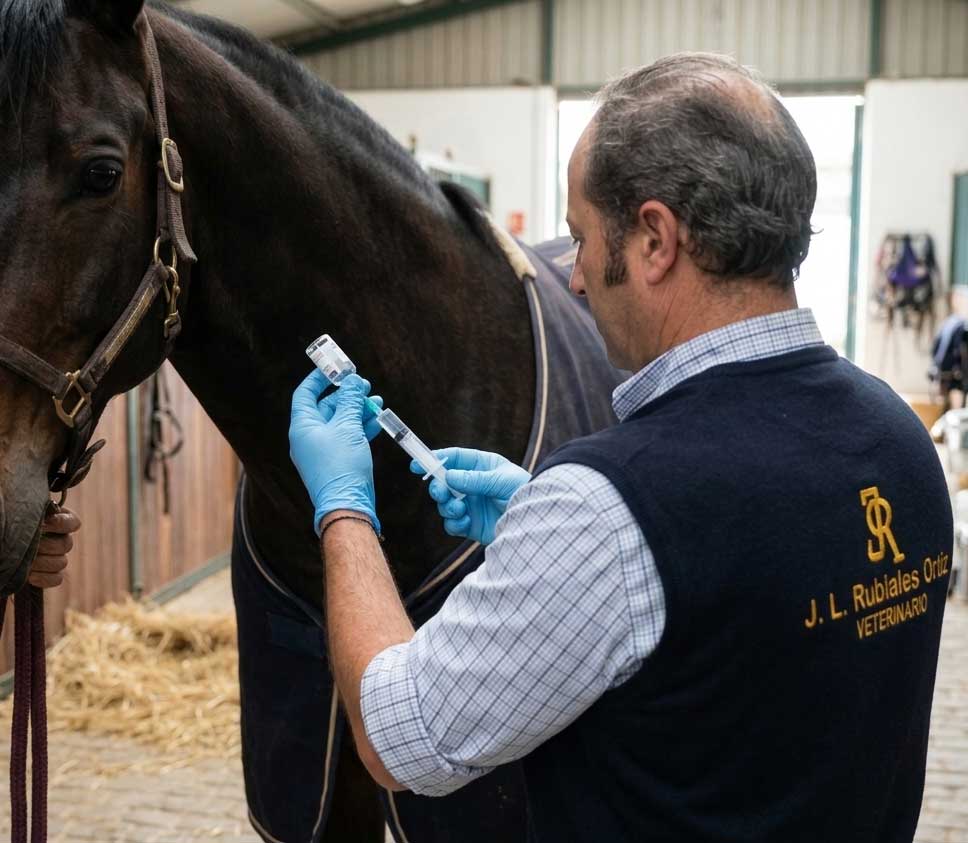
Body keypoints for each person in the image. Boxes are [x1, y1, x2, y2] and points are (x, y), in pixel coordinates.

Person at [288, 53, 952, 842]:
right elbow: (742, 626)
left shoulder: (611, 508)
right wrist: (541, 525)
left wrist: (343, 506)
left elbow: (400, 738)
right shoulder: (903, 441)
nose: (572, 279)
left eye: (579, 237)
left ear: (654, 239)